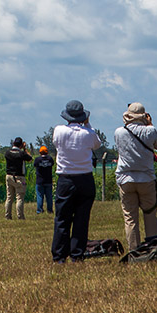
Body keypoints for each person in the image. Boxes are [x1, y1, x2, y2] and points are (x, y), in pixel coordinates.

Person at [51, 99, 101, 263]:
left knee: (62, 218)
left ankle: (59, 255)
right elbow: (96, 144)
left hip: (65, 178)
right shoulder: (89, 133)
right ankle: (77, 254)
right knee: (82, 219)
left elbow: (56, 144)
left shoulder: (59, 131)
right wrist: (87, 124)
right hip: (85, 178)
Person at [113, 102, 157, 252]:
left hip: (125, 178)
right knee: (150, 214)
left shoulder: (119, 132)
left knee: (130, 218)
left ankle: (134, 250)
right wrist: (150, 124)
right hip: (146, 178)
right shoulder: (150, 131)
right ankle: (153, 247)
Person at [4, 137, 33, 220]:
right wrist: (24, 149)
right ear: (20, 145)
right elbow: (30, 158)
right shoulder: (21, 154)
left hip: (9, 176)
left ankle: (7, 216)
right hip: (19, 177)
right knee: (19, 198)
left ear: (13, 144)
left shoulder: (7, 153)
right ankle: (20, 216)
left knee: (9, 197)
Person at [34, 146, 55, 214]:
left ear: (40, 152)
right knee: (49, 197)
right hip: (48, 181)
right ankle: (50, 210)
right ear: (47, 152)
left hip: (39, 181)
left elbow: (35, 165)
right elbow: (52, 164)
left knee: (40, 196)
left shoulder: (37, 159)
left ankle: (39, 210)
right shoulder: (50, 159)